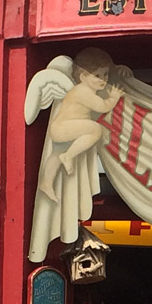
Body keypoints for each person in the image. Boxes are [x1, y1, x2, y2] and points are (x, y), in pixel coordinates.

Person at [37, 47, 124, 201]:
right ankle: (69, 156)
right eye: (97, 76)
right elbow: (103, 107)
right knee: (95, 130)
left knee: (55, 155)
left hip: (62, 128)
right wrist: (114, 98)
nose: (103, 80)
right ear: (83, 77)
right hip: (65, 127)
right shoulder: (82, 91)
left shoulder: (85, 89)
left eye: (105, 74)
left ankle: (46, 183)